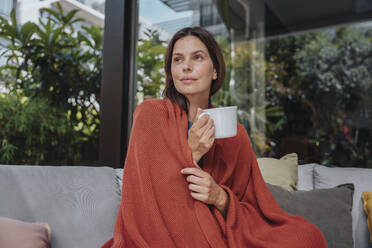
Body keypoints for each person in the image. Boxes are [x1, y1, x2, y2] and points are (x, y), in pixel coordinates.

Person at [102, 27, 327, 248]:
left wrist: (220, 198)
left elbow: (254, 206)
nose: (186, 67)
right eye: (178, 60)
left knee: (307, 236)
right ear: (170, 71)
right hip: (170, 230)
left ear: (215, 70)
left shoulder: (235, 134)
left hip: (221, 228)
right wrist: (191, 153)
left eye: (197, 57)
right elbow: (145, 199)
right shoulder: (151, 114)